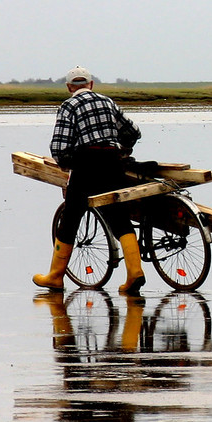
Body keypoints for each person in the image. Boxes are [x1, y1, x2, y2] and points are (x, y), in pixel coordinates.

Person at [32, 67, 147, 295]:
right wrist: (122, 147)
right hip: (113, 163)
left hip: (86, 166)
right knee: (118, 216)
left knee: (71, 217)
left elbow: (59, 146)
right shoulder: (107, 102)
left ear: (69, 87)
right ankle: (135, 272)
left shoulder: (68, 106)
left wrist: (66, 162)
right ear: (91, 84)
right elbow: (133, 132)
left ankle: (55, 276)